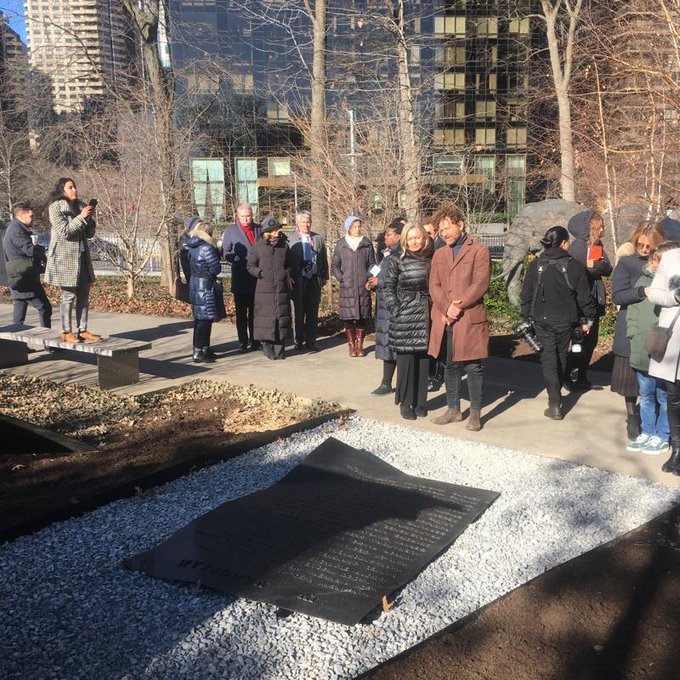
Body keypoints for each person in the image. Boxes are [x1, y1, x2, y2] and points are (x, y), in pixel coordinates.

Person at [520, 226, 596, 420]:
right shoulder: (575, 266)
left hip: (542, 319)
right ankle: (557, 397)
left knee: (548, 360)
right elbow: (584, 298)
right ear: (563, 243)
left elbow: (526, 295)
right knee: (561, 355)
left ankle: (554, 403)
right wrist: (588, 319)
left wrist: (525, 316)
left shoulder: (535, 265)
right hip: (566, 320)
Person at [429, 205, 491, 431]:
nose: (443, 233)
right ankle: (453, 409)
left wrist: (458, 305)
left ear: (460, 225)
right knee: (450, 365)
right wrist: (446, 308)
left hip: (469, 318)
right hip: (445, 318)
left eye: (447, 228)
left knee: (474, 367)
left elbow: (480, 283)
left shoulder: (479, 251)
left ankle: (475, 413)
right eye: (440, 230)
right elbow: (433, 285)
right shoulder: (439, 253)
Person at [611, 221, 665, 439]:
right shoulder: (626, 263)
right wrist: (642, 290)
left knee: (657, 379)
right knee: (629, 379)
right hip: (630, 324)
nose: (643, 250)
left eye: (648, 247)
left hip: (656, 326)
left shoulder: (665, 263)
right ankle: (632, 417)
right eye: (640, 245)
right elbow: (618, 295)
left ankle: (656, 419)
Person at [625, 242, 679, 454]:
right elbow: (632, 313)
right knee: (646, 394)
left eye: (659, 261)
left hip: (665, 351)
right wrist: (633, 335)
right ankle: (648, 431)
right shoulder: (643, 282)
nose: (655, 264)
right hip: (642, 347)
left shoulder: (673, 287)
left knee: (664, 397)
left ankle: (662, 434)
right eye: (655, 260)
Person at [383, 224, 434, 420]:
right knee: (406, 362)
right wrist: (396, 309)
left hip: (425, 313)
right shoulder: (397, 259)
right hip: (404, 315)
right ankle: (405, 403)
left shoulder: (431, 258)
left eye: (417, 237)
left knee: (422, 362)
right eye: (410, 238)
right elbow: (388, 288)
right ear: (405, 239)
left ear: (424, 238)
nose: (413, 242)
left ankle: (421, 402)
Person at [45, 177, 100, 343]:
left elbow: (89, 234)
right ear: (62, 190)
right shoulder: (55, 208)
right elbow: (64, 231)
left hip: (82, 257)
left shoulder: (81, 206)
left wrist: (89, 219)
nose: (74, 190)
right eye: (70, 187)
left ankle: (82, 330)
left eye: (74, 187)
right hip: (65, 259)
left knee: (84, 295)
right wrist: (82, 217)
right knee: (68, 296)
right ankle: (66, 331)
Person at [567, 211, 612, 389]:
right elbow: (582, 272)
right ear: (590, 227)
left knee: (591, 341)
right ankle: (569, 375)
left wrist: (598, 266)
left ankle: (582, 376)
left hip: (595, 300)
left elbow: (608, 268)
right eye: (599, 226)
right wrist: (596, 268)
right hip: (582, 302)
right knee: (579, 341)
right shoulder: (578, 247)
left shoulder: (597, 245)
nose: (603, 230)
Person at [646, 245, 680, 475]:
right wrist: (674, 296)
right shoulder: (671, 257)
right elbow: (654, 293)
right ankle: (677, 449)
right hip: (674, 341)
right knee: (674, 397)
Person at [247, 216, 295, 360]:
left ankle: (280, 349)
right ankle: (267, 348)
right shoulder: (258, 246)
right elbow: (250, 266)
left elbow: (289, 264)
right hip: (264, 289)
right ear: (267, 232)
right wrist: (261, 273)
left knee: (281, 318)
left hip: (281, 288)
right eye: (274, 231)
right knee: (266, 319)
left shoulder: (284, 246)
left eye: (277, 230)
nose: (276, 233)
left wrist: (286, 274)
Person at [331, 215, 376, 357]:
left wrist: (369, 277)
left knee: (362, 317)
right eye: (354, 226)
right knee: (349, 317)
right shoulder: (341, 244)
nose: (357, 229)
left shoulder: (367, 243)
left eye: (358, 226)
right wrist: (342, 278)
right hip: (347, 286)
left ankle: (360, 345)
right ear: (348, 228)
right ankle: (351, 346)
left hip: (363, 286)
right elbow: (335, 266)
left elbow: (373, 264)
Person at [3, 202, 52, 328]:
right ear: (22, 214)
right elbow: (29, 250)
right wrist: (42, 249)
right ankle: (49, 343)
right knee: (44, 308)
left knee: (19, 316)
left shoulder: (15, 228)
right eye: (31, 216)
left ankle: (18, 346)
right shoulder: (16, 230)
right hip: (25, 278)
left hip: (18, 278)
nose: (33, 218)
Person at [367, 221, 403, 395]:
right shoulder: (387, 253)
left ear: (398, 236)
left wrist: (379, 281)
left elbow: (399, 279)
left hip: (393, 305)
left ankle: (390, 383)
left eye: (388, 234)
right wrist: (374, 281)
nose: (385, 237)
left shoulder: (401, 254)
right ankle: (386, 382)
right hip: (384, 305)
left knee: (393, 345)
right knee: (387, 344)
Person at [222, 204, 262, 352]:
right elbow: (225, 252)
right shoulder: (231, 231)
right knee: (241, 313)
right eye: (243, 216)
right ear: (238, 216)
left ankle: (255, 340)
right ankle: (243, 341)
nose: (246, 219)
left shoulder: (258, 229)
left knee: (255, 312)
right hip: (240, 277)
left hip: (257, 277)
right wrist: (236, 258)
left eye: (249, 216)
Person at [287, 211, 328, 352]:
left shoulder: (318, 238)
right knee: (298, 311)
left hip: (314, 279)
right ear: (298, 223)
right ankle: (298, 340)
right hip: (298, 279)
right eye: (304, 222)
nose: (307, 224)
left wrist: (324, 276)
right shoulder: (290, 239)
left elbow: (323, 259)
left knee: (312, 311)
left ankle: (311, 341)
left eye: (308, 222)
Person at [186, 218, 225, 363]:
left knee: (201, 319)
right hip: (205, 286)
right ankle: (200, 351)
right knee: (205, 320)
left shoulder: (193, 246)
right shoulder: (207, 248)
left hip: (196, 283)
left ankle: (203, 348)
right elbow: (216, 268)